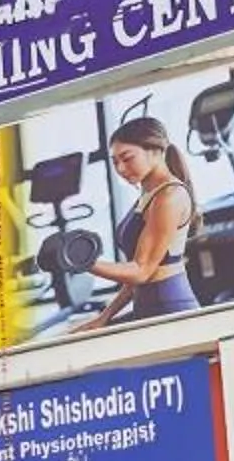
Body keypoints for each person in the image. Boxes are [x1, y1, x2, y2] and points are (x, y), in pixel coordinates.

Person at [81, 116, 199, 330]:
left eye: (127, 158)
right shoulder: (148, 194)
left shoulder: (169, 196)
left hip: (170, 307)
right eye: (115, 162)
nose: (120, 169)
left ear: (155, 151)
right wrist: (104, 317)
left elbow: (142, 271)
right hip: (147, 305)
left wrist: (85, 263)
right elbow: (134, 277)